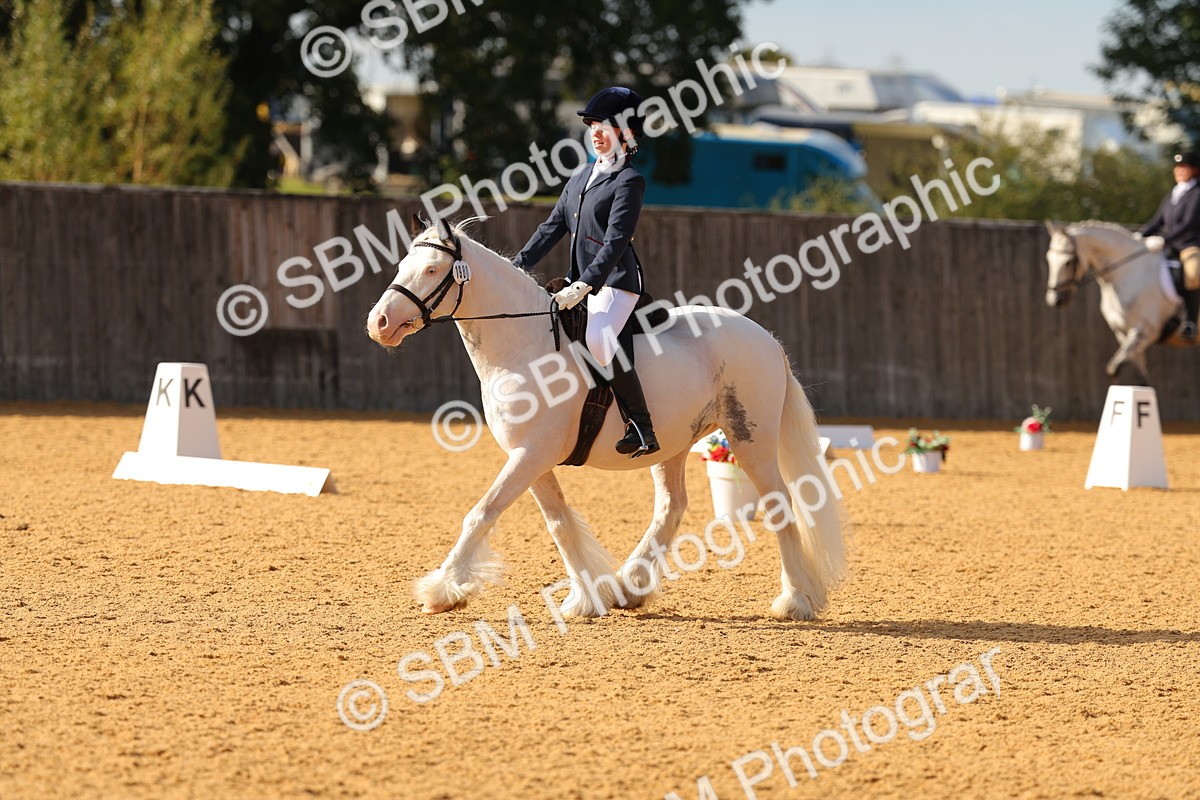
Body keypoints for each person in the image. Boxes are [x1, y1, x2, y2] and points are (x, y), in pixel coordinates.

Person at [511, 86, 660, 457]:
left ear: (626, 133)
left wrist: (584, 285)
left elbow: (615, 241)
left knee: (599, 339)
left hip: (615, 283)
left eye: (605, 125)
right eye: (592, 124)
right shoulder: (579, 177)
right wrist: (516, 266)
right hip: (581, 280)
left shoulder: (629, 181)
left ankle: (641, 426)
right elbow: (551, 228)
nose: (596, 132)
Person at [1139, 150, 1200, 342]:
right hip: (1169, 246)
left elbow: (1189, 224)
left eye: (1184, 167)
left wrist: (1165, 239)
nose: (1180, 171)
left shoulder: (1197, 193)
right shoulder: (1174, 192)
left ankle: (1190, 321)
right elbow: (1157, 222)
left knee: (1193, 273)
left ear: (1195, 170)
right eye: (1178, 167)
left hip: (1190, 245)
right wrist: (1137, 237)